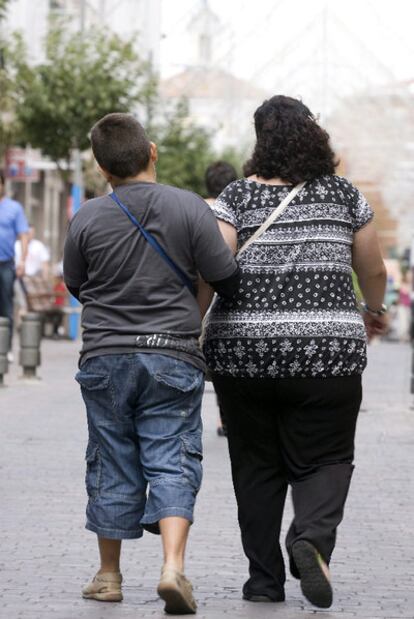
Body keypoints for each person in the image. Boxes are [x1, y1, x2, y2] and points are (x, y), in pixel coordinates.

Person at [201, 95, 388, 609]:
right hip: (327, 353)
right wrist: (374, 308)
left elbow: (213, 266)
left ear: (260, 141)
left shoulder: (234, 198)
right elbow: (372, 268)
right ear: (314, 135)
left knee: (256, 465)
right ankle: (310, 537)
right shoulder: (345, 196)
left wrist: (191, 326)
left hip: (244, 352)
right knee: (326, 456)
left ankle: (263, 581)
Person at [63, 113, 240, 614]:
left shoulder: (88, 217)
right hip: (173, 352)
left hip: (105, 357)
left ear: (102, 168)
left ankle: (108, 575)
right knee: (173, 456)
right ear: (153, 151)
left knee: (110, 456)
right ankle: (172, 568)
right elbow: (227, 276)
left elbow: (76, 283)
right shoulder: (188, 208)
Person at [204, 161, 238, 437]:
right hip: (226, 293)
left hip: (202, 294)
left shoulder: (197, 208)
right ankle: (228, 417)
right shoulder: (237, 210)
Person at [0, 170, 29, 358]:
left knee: (6, 307)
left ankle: (6, 348)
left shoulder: (14, 208)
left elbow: (23, 236)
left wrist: (22, 261)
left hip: (6, 265)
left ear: (3, 185)